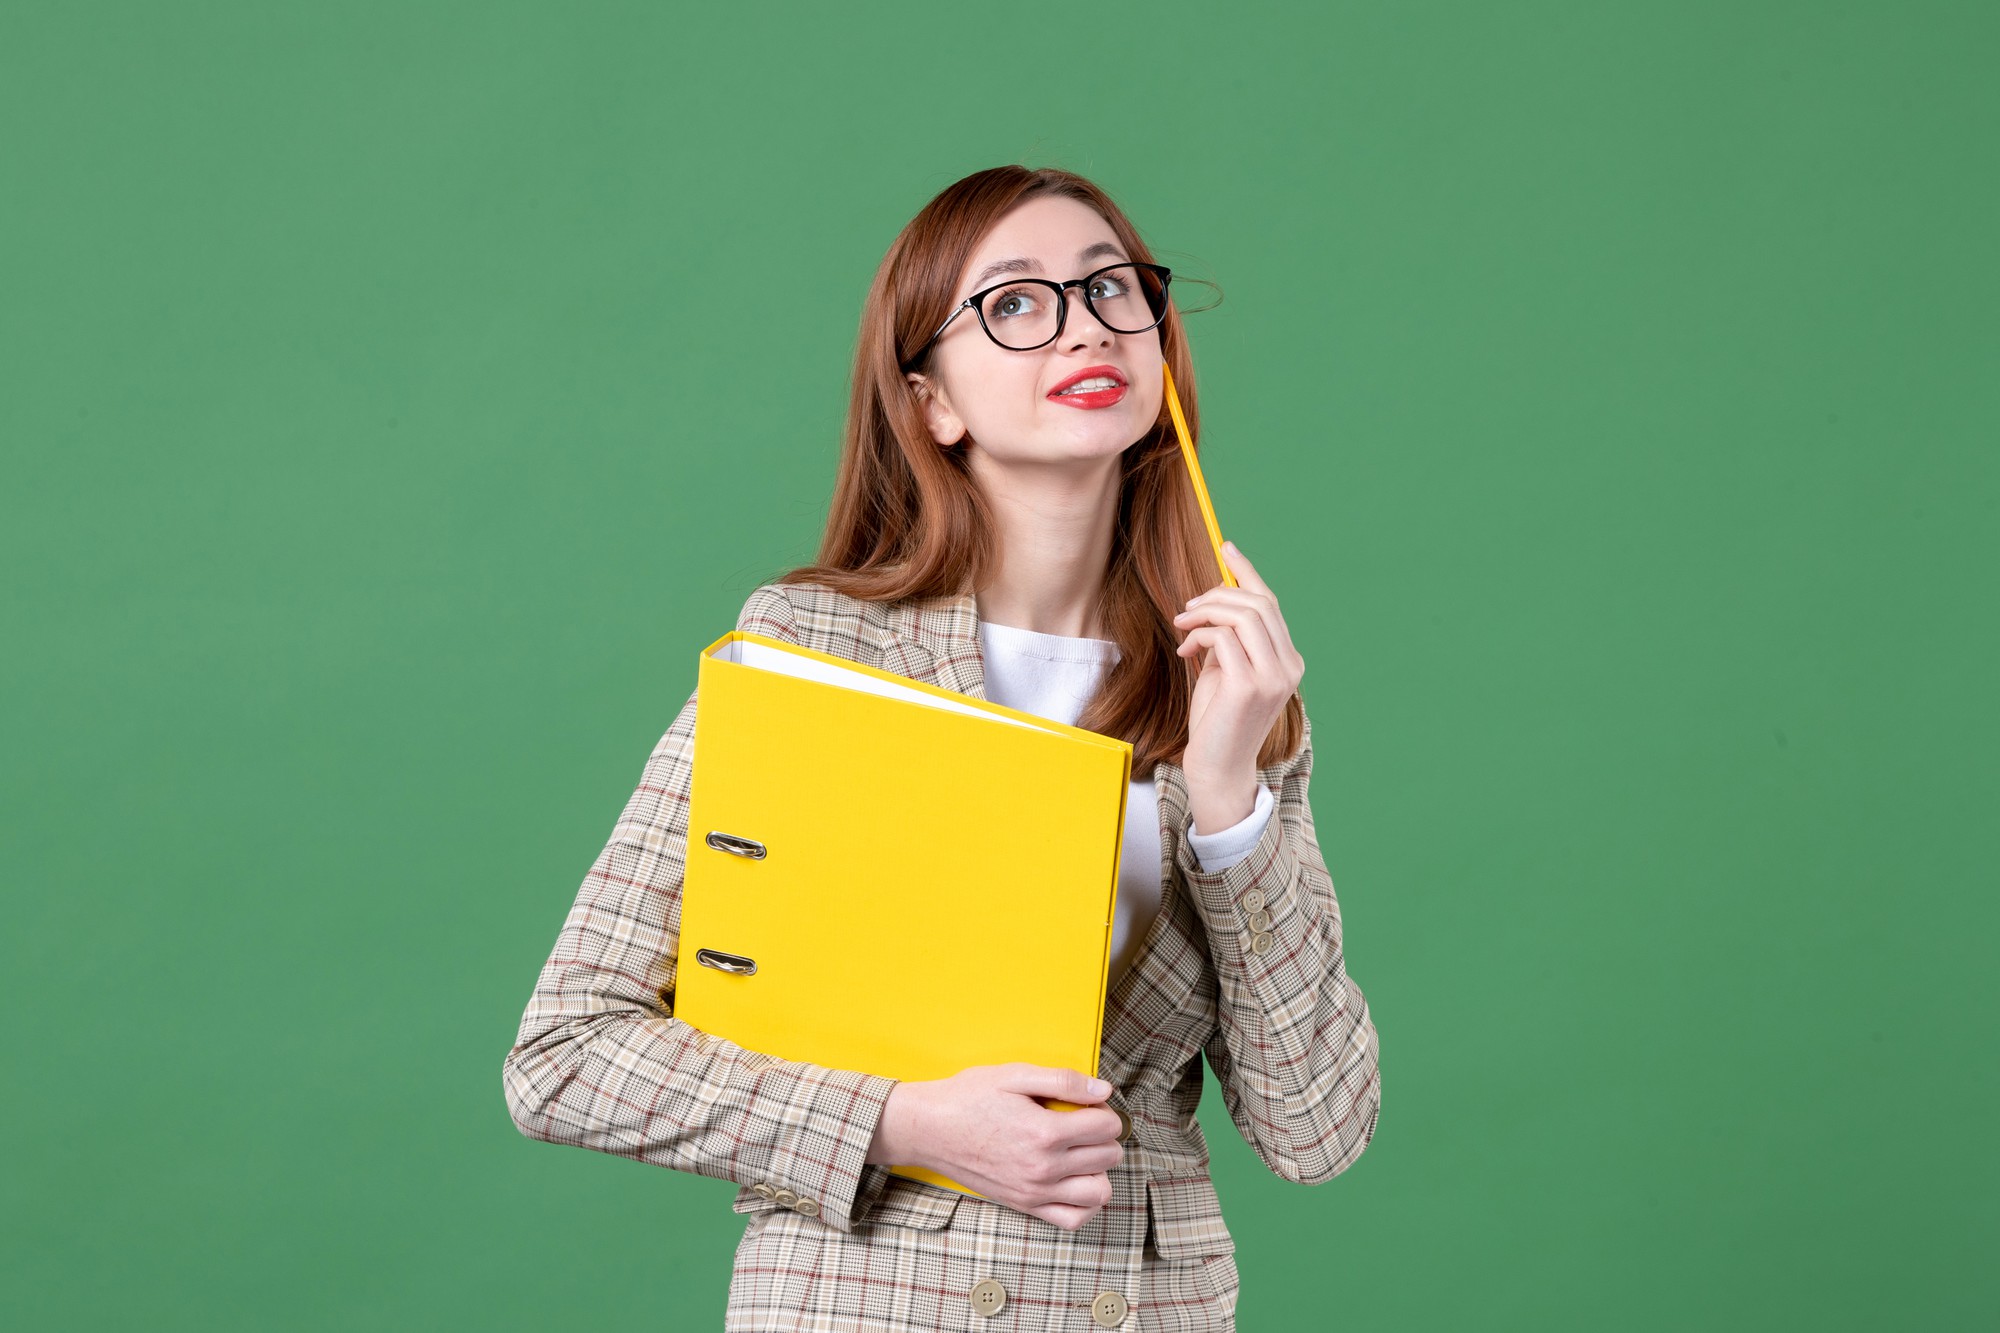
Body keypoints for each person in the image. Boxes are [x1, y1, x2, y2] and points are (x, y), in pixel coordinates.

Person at [502, 164, 1381, 1332]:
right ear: (930, 404)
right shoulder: (807, 651)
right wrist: (902, 1123)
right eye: (1014, 303)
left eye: (1110, 286)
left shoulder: (1229, 691)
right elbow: (563, 1054)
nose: (1083, 324)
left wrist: (1228, 799)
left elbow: (1315, 1131)